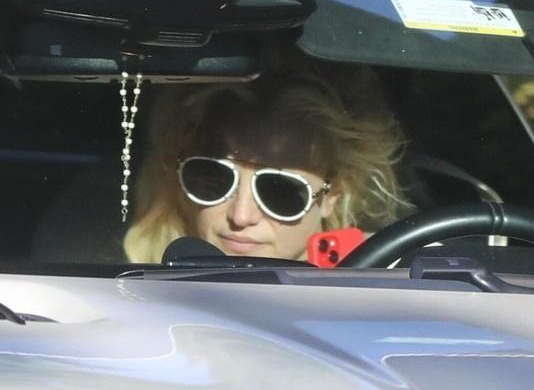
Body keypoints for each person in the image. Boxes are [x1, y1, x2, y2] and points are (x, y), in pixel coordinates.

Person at [123, 67, 414, 263]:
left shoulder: (385, 285)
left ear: (333, 194)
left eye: (279, 191)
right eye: (213, 180)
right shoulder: (124, 284)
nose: (241, 216)